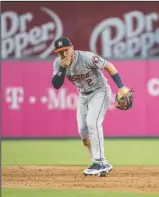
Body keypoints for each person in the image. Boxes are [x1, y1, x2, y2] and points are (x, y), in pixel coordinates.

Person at [51, 36, 131, 176]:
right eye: (60, 52)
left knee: (92, 123)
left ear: (72, 47)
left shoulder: (87, 57)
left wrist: (121, 86)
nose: (64, 54)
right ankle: (101, 162)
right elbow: (56, 85)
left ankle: (99, 162)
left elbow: (108, 66)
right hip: (83, 95)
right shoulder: (58, 63)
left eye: (66, 50)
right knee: (83, 131)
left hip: (100, 91)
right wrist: (62, 68)